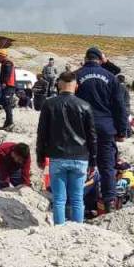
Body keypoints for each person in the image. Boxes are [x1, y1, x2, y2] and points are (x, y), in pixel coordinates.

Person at [36, 72, 97, 225]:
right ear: (76, 85)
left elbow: (42, 133)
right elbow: (92, 137)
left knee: (59, 199)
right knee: (77, 198)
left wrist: (40, 156)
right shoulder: (84, 105)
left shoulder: (49, 104)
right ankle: (78, 229)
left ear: (58, 84)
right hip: (80, 156)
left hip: (57, 156)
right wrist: (93, 161)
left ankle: (60, 229)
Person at [75, 47, 129, 215]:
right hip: (106, 127)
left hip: (81, 127)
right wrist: (122, 131)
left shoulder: (76, 75)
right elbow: (120, 107)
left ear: (85, 58)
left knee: (80, 164)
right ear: (100, 59)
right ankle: (109, 203)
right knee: (107, 167)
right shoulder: (111, 78)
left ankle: (77, 202)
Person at [0, 49, 17, 131]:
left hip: (8, 86)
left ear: (2, 56)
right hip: (7, 86)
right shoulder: (5, 63)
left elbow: (7, 73)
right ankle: (7, 123)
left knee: (8, 105)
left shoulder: (7, 63)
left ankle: (10, 123)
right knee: (6, 105)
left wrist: (4, 83)